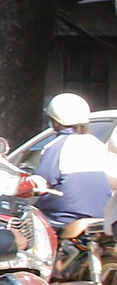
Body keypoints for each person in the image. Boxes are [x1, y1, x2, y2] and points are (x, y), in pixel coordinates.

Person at [35, 93, 114, 226]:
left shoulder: (56, 146)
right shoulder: (97, 144)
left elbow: (41, 182)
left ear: (55, 121)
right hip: (102, 216)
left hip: (63, 218)